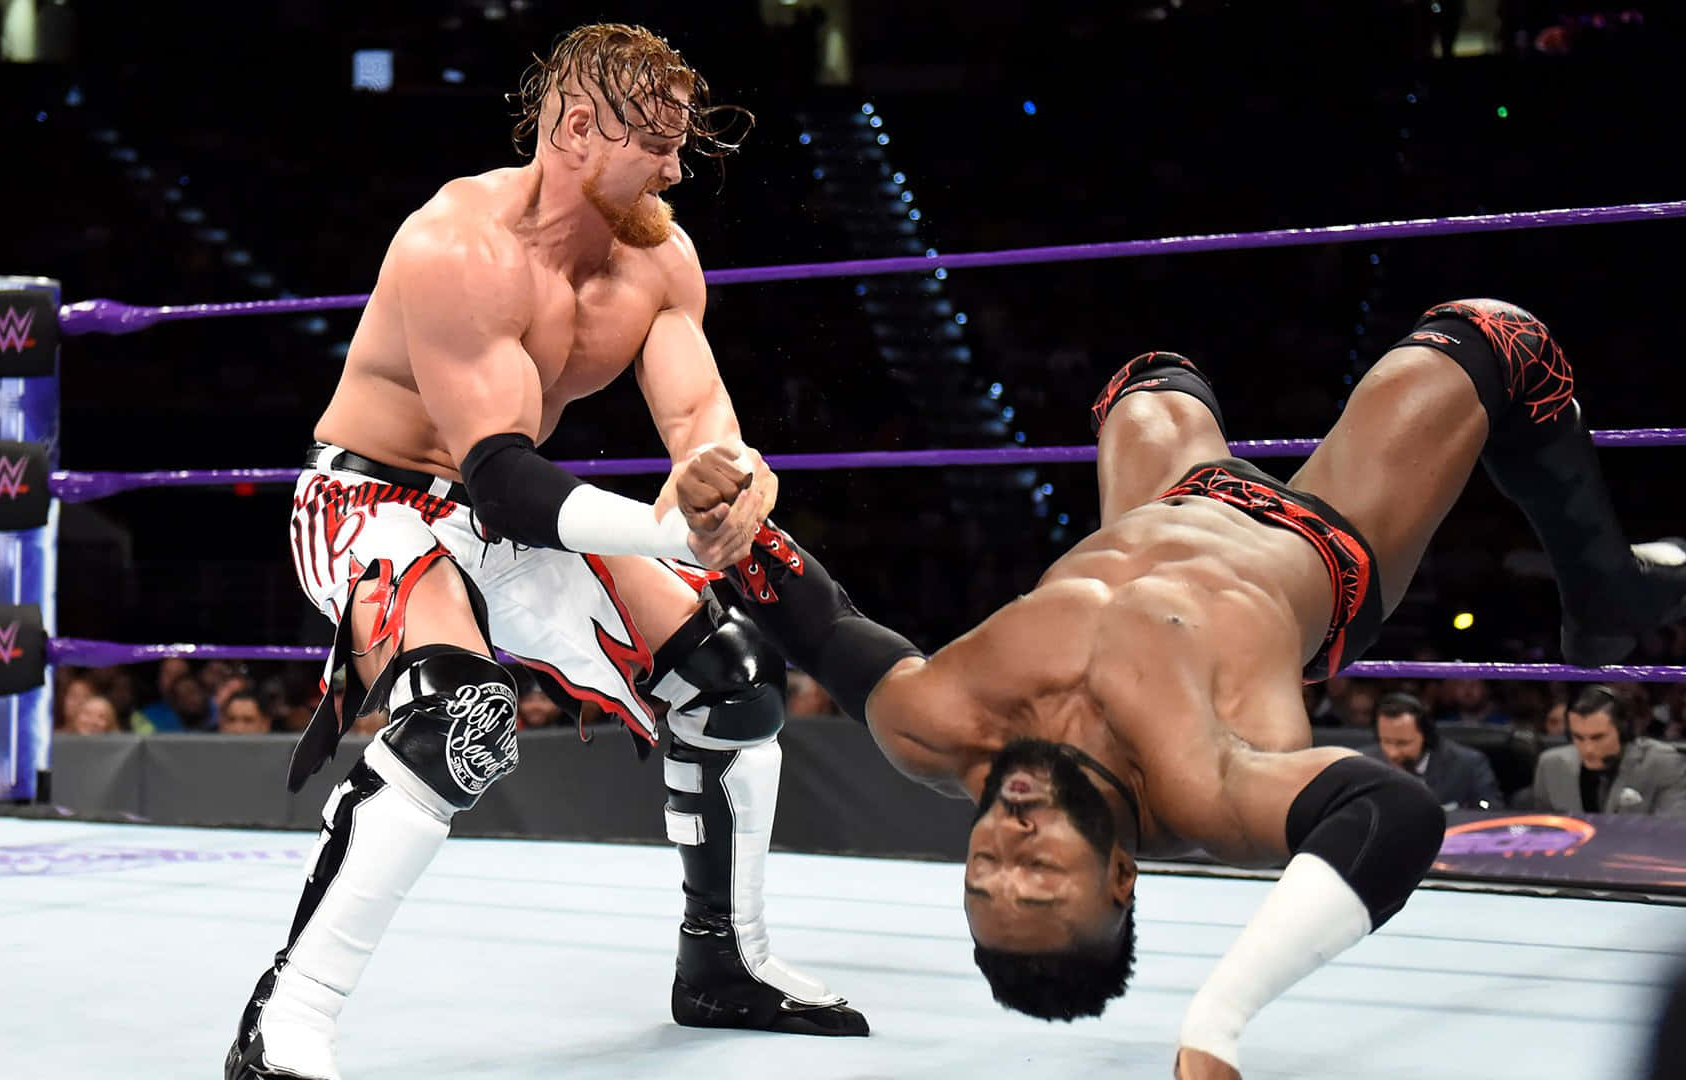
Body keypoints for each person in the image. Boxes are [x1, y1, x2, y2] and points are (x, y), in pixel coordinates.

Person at [707, 298, 1686, 1077]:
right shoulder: (1204, 786)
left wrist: (726, 522)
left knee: (1148, 378)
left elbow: (824, 629)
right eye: (1040, 876)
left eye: (983, 877)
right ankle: (1609, 591)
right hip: (1316, 548)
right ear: (1120, 878)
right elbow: (1396, 815)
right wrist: (1218, 1020)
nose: (1006, 847)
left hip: (1171, 504)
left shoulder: (936, 724)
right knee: (1499, 339)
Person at [228, 23, 862, 1080]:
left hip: (508, 516)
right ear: (574, 128)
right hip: (371, 500)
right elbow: (505, 479)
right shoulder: (455, 247)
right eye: (654, 144)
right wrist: (667, 530)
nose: (674, 170)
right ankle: (285, 1021)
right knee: (459, 717)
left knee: (729, 679)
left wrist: (732, 486)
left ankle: (724, 963)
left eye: (679, 145)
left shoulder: (659, 259)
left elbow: (700, 420)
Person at [1531, 684, 1686, 816]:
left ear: (1623, 731)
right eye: (1578, 737)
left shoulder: (1664, 764)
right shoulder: (1551, 765)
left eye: (1597, 737)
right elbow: (1545, 830)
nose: (1588, 749)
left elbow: (1672, 831)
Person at [1362, 691, 1502, 810]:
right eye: (1386, 741)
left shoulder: (1469, 765)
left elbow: (1490, 812)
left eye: (1403, 743)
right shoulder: (1362, 763)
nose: (1392, 753)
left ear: (1426, 736)